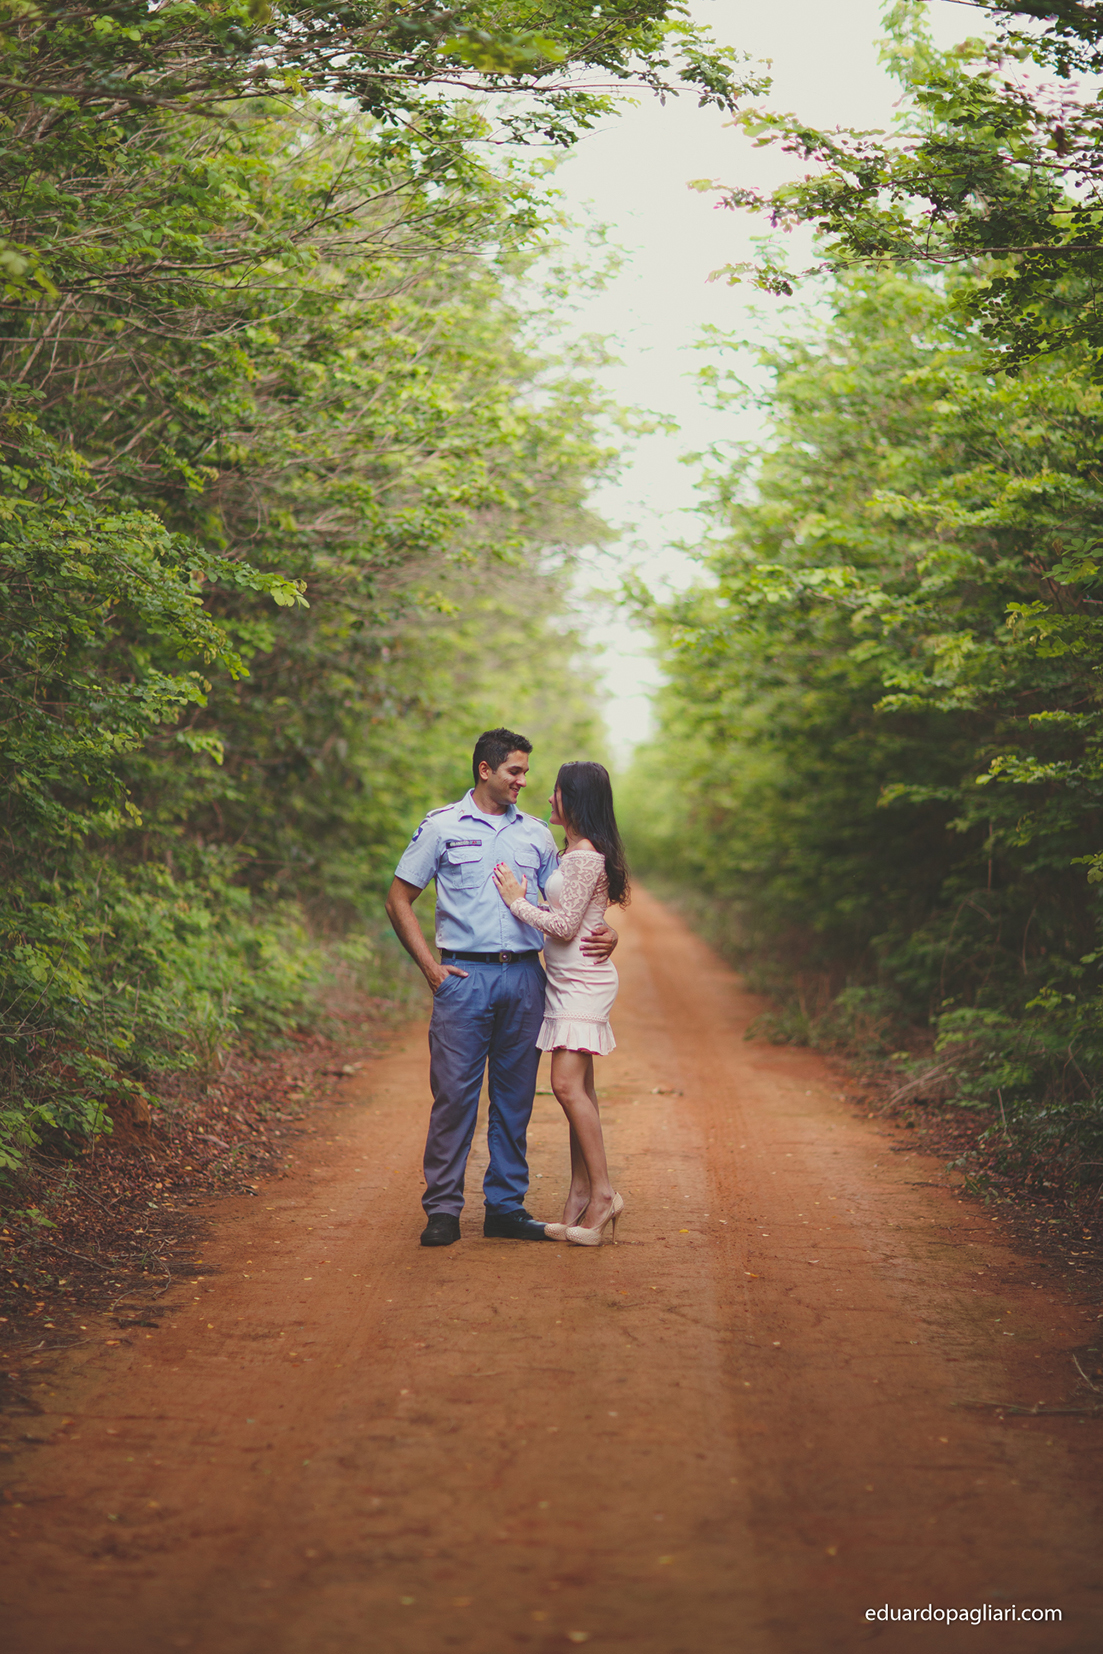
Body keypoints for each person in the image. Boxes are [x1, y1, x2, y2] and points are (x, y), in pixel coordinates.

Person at [384, 728, 620, 1248]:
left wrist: (610, 932)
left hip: (528, 979)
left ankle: (505, 1209)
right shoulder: (441, 827)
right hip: (464, 978)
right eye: (515, 770)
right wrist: (431, 970)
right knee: (453, 1098)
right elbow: (399, 898)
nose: (524, 780)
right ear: (485, 770)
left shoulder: (536, 835)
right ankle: (443, 1209)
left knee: (515, 1101)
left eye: (527, 771)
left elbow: (573, 905)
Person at [491, 761, 629, 1248]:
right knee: (582, 1093)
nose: (548, 800)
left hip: (581, 984)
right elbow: (576, 917)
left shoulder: (584, 856)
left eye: (555, 793)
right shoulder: (573, 852)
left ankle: (605, 1194)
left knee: (565, 1087)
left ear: (574, 799)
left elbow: (566, 925)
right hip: (569, 979)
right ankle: (580, 1195)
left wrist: (515, 901)